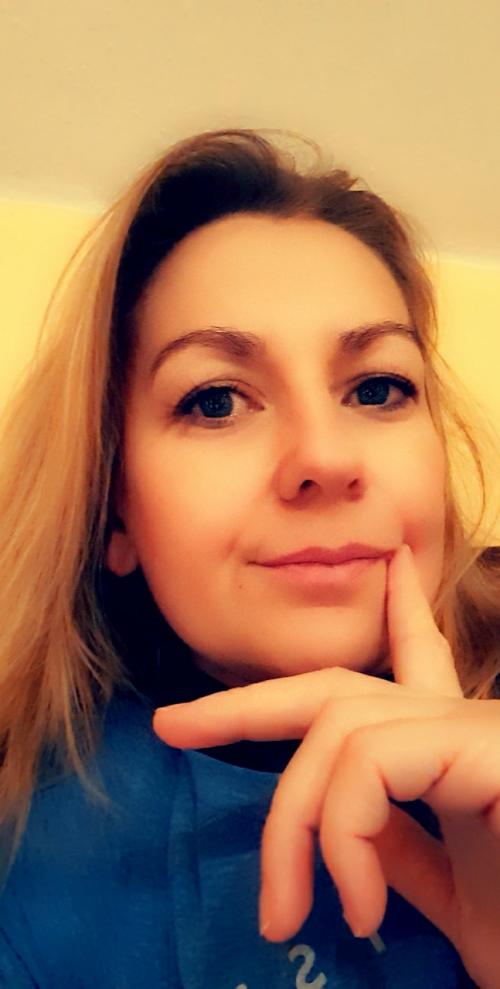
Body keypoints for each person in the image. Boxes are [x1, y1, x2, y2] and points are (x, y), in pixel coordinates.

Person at [0, 127, 499, 989]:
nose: (325, 457)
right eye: (216, 400)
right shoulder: (28, 842)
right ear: (115, 507)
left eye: (377, 387)